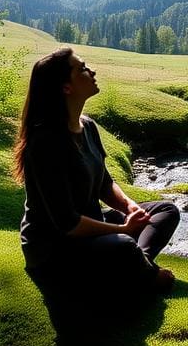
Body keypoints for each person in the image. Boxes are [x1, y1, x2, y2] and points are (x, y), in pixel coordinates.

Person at [15, 47, 179, 295]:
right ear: (66, 87)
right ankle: (137, 269)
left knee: (165, 211)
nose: (91, 71)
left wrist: (130, 207)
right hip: (55, 248)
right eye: (81, 68)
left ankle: (137, 263)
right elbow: (67, 224)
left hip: (92, 228)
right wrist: (125, 230)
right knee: (124, 243)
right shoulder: (45, 143)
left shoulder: (88, 126)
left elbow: (104, 183)